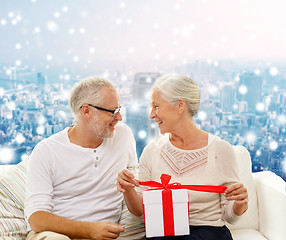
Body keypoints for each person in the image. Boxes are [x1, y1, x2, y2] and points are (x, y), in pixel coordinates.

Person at [117, 73, 248, 240]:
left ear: (180, 106)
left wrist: (239, 204)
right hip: (165, 231)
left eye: (156, 106)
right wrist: (128, 189)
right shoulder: (152, 151)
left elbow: (230, 216)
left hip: (208, 233)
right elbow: (139, 211)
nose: (151, 114)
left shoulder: (220, 150)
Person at [25, 76, 138, 240]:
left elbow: (135, 191)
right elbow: (36, 218)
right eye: (113, 112)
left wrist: (129, 186)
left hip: (106, 234)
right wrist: (90, 230)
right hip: (57, 234)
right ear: (86, 111)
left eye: (119, 109)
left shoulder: (123, 135)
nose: (119, 117)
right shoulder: (46, 151)